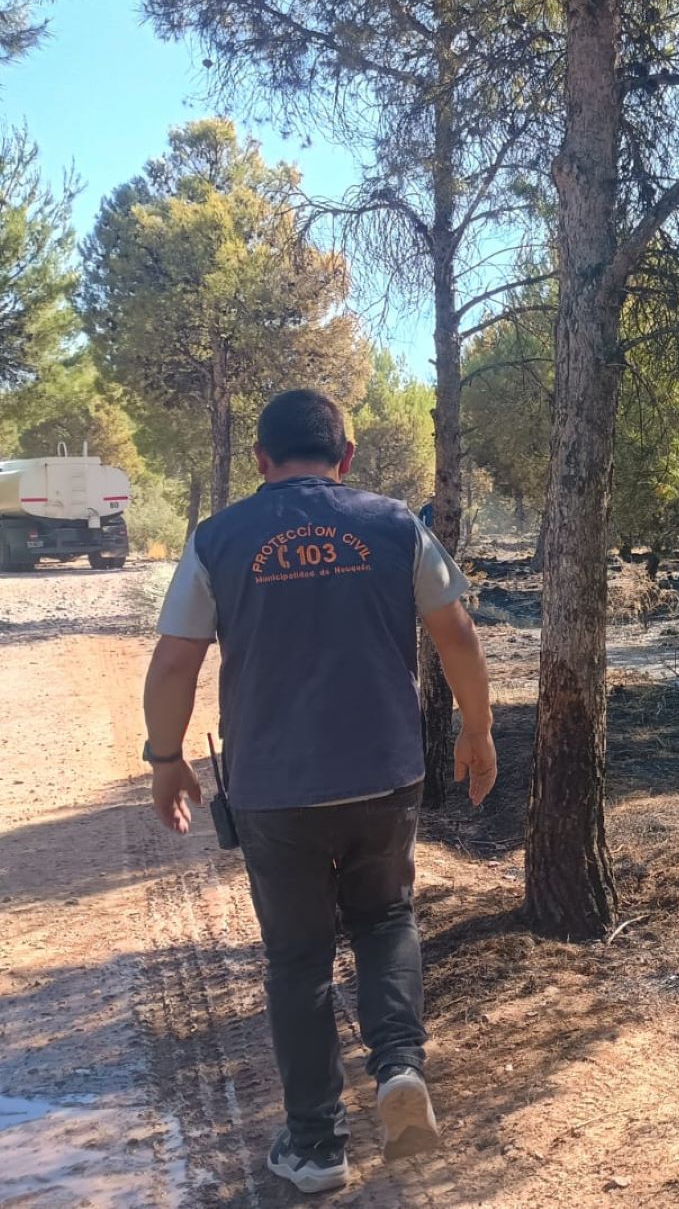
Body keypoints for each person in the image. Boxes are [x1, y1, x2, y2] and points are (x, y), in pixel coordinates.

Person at [142, 388, 497, 1194]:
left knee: (297, 958)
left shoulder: (218, 539)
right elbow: (456, 632)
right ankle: (400, 1068)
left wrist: (165, 758)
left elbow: (173, 663)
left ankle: (315, 1147)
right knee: (383, 919)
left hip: (275, 791)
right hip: (383, 776)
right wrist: (476, 731)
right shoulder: (396, 525)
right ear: (346, 459)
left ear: (262, 462)